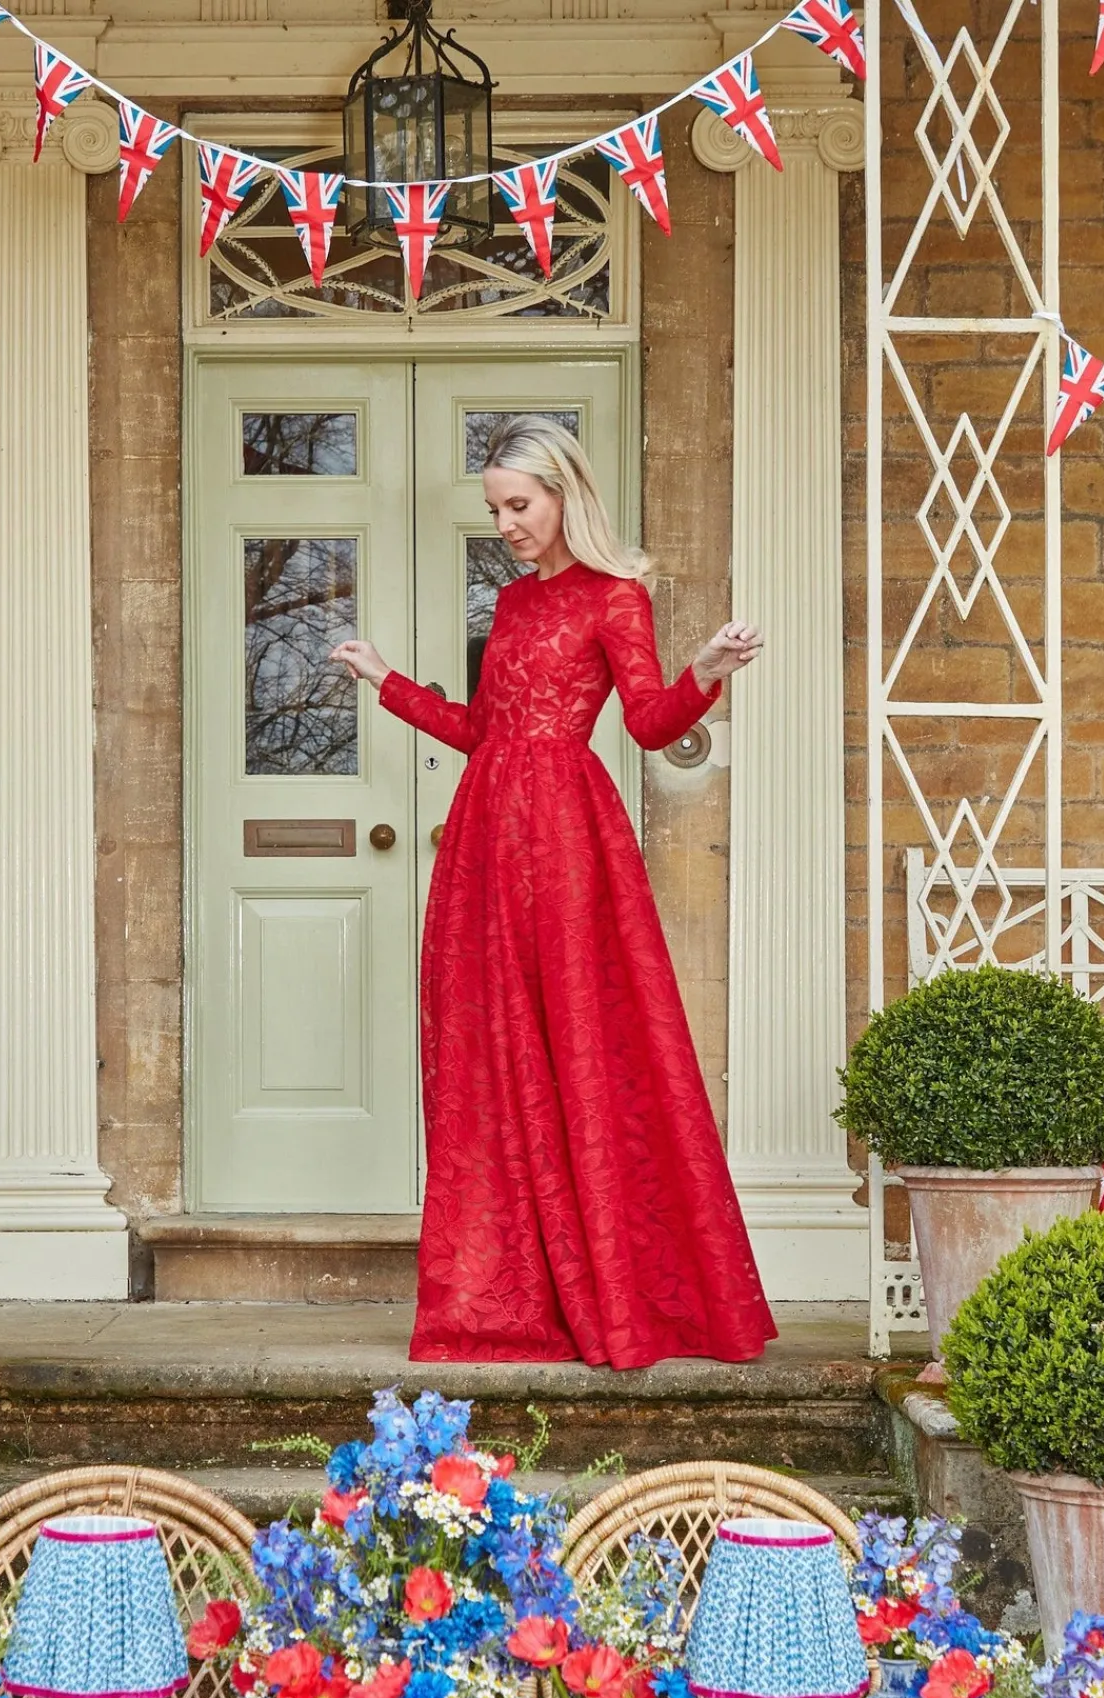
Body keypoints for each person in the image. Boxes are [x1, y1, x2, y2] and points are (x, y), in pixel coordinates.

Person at [330, 414, 776, 1370]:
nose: (506, 524)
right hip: (487, 842)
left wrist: (706, 672)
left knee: (580, 1039)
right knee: (495, 1055)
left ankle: (608, 1289)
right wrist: (387, 682)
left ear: (565, 494)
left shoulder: (617, 597)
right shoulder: (515, 608)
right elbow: (479, 730)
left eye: (519, 505)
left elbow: (651, 723)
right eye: (496, 509)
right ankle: (512, 1288)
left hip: (570, 840)